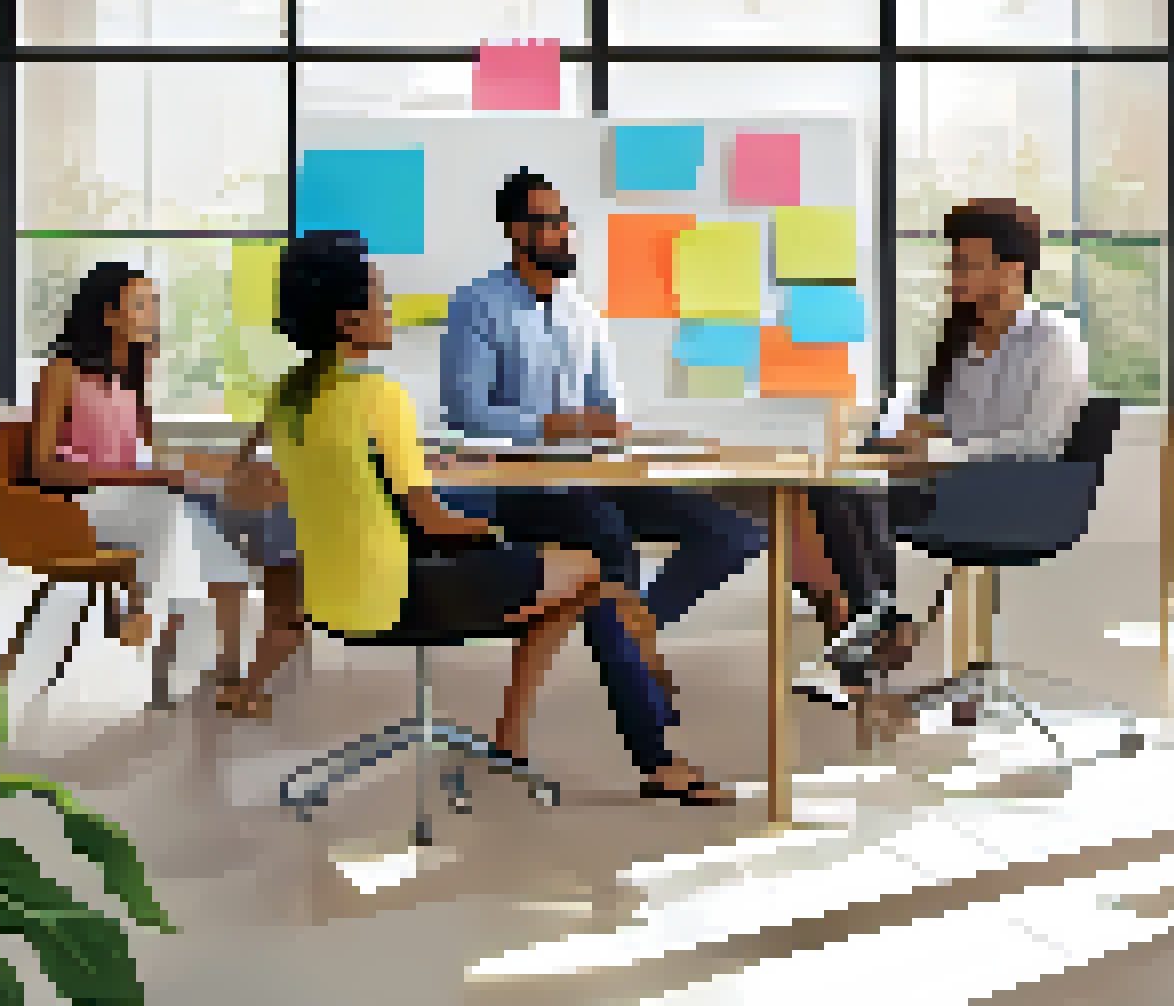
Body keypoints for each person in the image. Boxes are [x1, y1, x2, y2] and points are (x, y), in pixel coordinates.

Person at [266, 231, 713, 784]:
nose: (388, 311)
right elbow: (431, 519)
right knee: (588, 568)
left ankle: (513, 741)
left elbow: (357, 479)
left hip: (331, 596)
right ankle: (574, 742)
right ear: (346, 321)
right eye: (379, 300)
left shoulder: (285, 398)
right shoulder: (381, 397)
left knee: (561, 568)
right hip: (404, 597)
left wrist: (421, 468)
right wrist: (497, 534)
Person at [437, 169, 760, 804]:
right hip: (525, 487)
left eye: (564, 220)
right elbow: (464, 409)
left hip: (594, 477)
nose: (562, 232)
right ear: (516, 232)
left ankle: (642, 621)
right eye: (547, 222)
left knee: (734, 529)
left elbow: (604, 406)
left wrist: (622, 430)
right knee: (612, 553)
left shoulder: (584, 312)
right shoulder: (478, 303)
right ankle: (657, 759)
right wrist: (549, 424)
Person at [787, 199, 1090, 713]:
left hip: (1021, 493)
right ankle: (875, 630)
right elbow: (941, 423)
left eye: (966, 263)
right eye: (953, 261)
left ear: (1011, 270)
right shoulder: (961, 340)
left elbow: (1040, 441)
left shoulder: (1053, 339)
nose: (953, 275)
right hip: (952, 482)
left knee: (855, 497)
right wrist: (909, 436)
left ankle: (878, 636)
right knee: (825, 488)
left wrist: (942, 451)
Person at [24, 262, 285, 711]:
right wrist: (147, 475)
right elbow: (44, 467)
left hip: (136, 498)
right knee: (174, 511)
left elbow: (140, 455)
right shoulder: (62, 372)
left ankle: (225, 668)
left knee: (211, 527)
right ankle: (140, 610)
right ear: (109, 314)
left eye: (155, 303)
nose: (153, 313)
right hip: (79, 506)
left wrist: (174, 471)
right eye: (141, 303)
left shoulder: (129, 380)